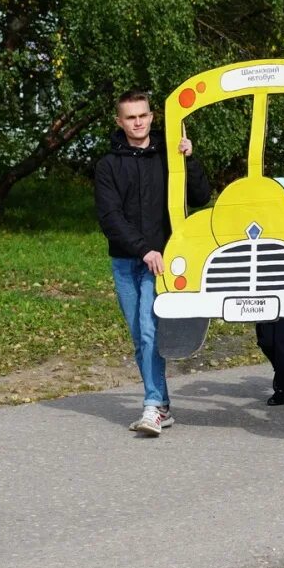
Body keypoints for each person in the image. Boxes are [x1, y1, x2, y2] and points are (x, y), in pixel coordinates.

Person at [95, 90, 211, 436]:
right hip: (126, 260)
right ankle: (161, 405)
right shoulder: (107, 165)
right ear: (119, 122)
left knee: (149, 330)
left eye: (143, 115)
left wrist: (189, 160)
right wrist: (142, 248)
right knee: (139, 336)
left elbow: (201, 198)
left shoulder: (170, 155)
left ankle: (153, 405)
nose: (138, 122)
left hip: (161, 262)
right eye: (130, 118)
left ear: (152, 116)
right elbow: (110, 217)